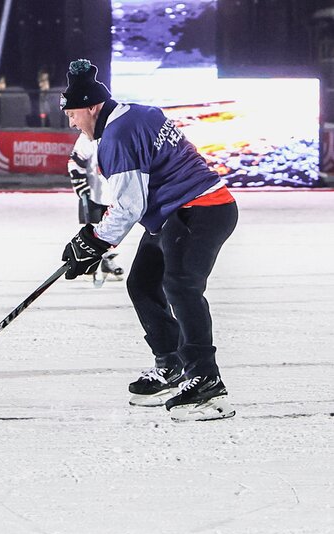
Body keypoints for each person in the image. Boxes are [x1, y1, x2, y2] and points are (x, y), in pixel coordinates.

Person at [59, 59, 238, 421]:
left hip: (199, 210)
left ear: (93, 106)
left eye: (73, 114)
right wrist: (95, 241)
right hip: (176, 214)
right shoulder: (138, 114)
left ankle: (206, 382)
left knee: (181, 285)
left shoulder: (117, 137)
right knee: (142, 282)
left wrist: (94, 241)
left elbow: (129, 204)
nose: (72, 122)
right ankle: (171, 365)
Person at [67, 131, 124, 285]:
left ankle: (107, 263)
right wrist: (80, 185)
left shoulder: (119, 132)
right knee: (93, 232)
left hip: (113, 195)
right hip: (94, 195)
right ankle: (89, 267)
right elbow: (75, 161)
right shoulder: (88, 135)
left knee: (111, 231)